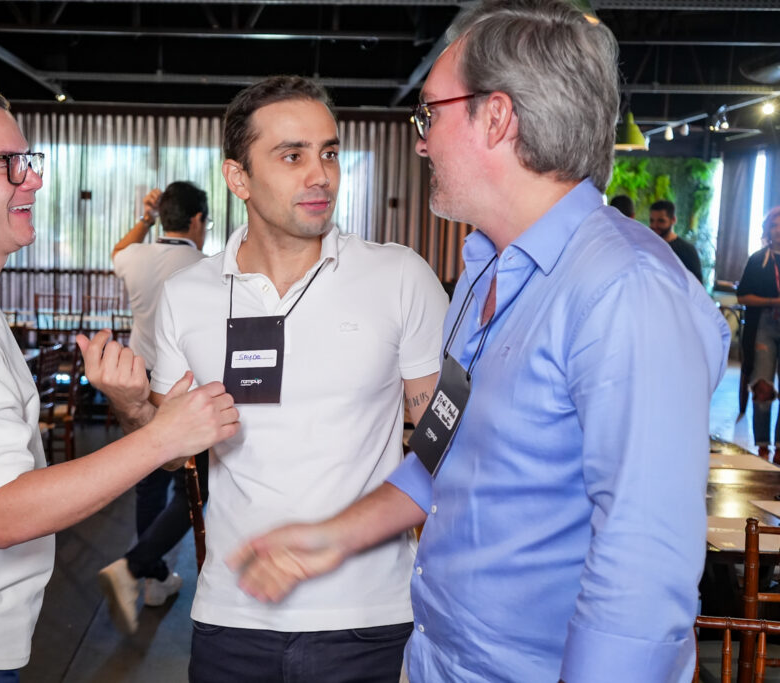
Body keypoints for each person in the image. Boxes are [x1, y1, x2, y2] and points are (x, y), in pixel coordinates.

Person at [227, 2, 730, 682]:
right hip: (436, 659)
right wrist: (329, 537)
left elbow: (641, 570)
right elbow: (437, 454)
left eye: (430, 114)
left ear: (497, 117)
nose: (422, 141)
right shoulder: (482, 275)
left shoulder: (624, 290)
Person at [0, 84, 239, 680]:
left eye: (29, 162)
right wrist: (163, 435)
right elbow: (6, 513)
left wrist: (139, 411)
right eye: (8, 164)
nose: (31, 180)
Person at [88, 75, 449, 681]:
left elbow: (446, 445)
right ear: (239, 179)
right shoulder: (189, 294)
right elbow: (172, 454)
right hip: (233, 614)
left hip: (365, 616)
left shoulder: (399, 277)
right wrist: (131, 407)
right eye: (292, 155)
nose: (321, 175)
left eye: (329, 152)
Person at [100, 181, 212, 626]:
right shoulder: (206, 267)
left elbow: (118, 249)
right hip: (189, 387)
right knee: (195, 488)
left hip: (140, 385)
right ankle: (140, 567)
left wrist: (145, 218)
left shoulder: (134, 258)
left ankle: (151, 576)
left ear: (162, 217)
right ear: (199, 221)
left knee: (148, 482)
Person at [738, 207, 780, 453]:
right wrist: (773, 302)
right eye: (774, 224)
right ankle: (763, 447)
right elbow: (742, 296)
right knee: (762, 387)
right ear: (767, 229)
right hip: (764, 326)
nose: (778, 229)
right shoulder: (757, 259)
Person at [649, 199, 703, 284]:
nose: (654, 226)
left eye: (661, 221)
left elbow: (697, 286)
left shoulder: (687, 250)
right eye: (652, 221)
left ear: (673, 220)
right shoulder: (647, 247)